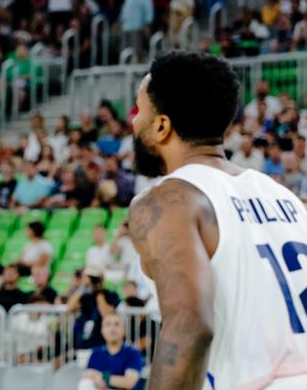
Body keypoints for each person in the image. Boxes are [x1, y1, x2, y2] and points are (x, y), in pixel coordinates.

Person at [128, 51, 307, 388]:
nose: (134, 122)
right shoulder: (285, 197)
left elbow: (189, 327)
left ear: (162, 125)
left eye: (139, 111)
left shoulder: (168, 199)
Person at [78, 312, 144, 390]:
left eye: (117, 324)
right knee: (85, 383)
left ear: (125, 330)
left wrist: (104, 377)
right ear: (102, 330)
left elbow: (129, 382)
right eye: (108, 324)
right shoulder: (97, 352)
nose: (112, 329)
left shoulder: (132, 353)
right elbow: (87, 374)